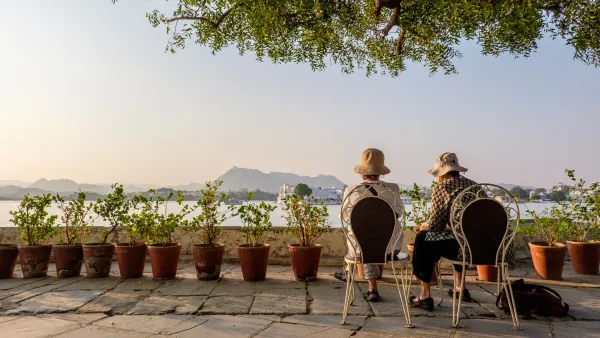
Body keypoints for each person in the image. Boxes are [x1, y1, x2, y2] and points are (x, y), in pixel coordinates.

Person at [409, 152, 478, 311]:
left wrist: (425, 225)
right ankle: (460, 287)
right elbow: (468, 222)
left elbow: (436, 226)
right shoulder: (475, 186)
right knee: (459, 237)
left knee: (422, 239)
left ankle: (425, 295)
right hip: (479, 248)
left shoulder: (442, 187)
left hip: (458, 248)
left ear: (441, 174)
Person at [339, 148, 404, 302]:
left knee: (362, 239)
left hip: (361, 250)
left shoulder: (351, 190)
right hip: (391, 248)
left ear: (362, 172)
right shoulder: (393, 188)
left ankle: (371, 287)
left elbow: (344, 216)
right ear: (381, 172)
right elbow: (399, 213)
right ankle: (369, 283)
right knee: (371, 240)